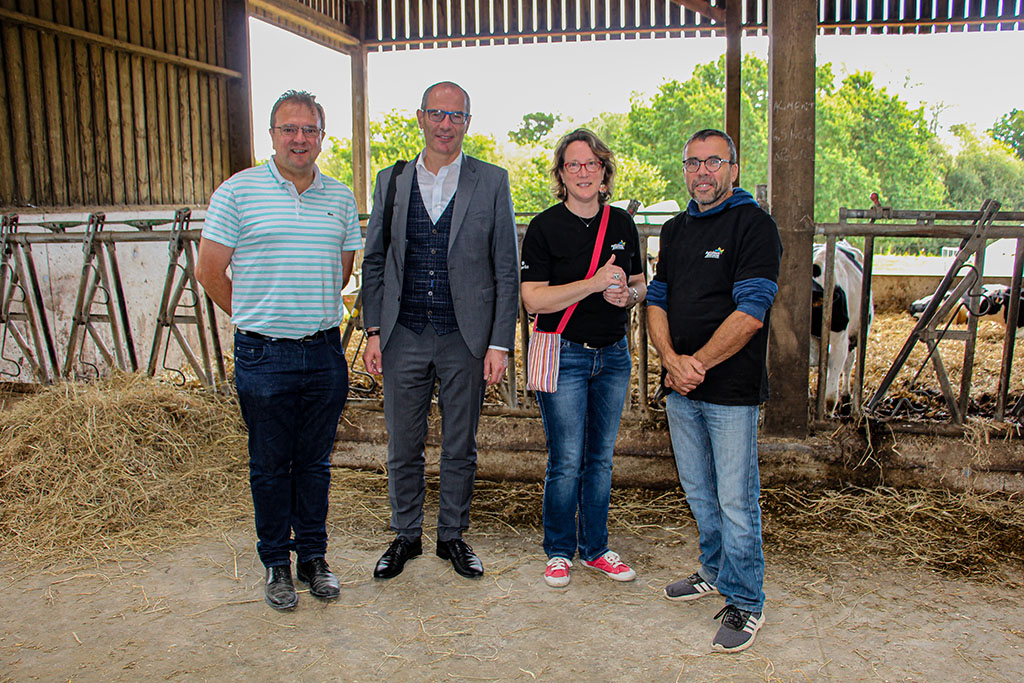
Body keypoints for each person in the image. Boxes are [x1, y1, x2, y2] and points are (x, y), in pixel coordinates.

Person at [196, 90, 361, 611]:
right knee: (270, 464)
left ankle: (314, 557)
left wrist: (305, 310)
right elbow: (209, 272)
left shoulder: (339, 197)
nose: (299, 139)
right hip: (264, 355)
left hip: (323, 351)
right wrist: (253, 321)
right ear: (271, 135)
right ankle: (276, 564)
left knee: (314, 463)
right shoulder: (237, 192)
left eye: (309, 129)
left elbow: (343, 271)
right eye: (289, 129)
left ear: (321, 136)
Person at [361, 81, 519, 580]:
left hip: (465, 337)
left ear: (467, 123)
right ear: (421, 117)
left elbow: (505, 270)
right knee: (401, 442)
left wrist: (499, 342)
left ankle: (451, 535)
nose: (446, 124)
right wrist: (371, 330)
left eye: (456, 116)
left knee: (460, 443)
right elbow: (374, 260)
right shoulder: (392, 180)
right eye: (437, 113)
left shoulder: (492, 181)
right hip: (402, 333)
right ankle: (405, 534)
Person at [647, 129, 782, 652]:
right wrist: (670, 361)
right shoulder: (677, 229)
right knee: (699, 490)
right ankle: (715, 570)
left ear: (733, 168)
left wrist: (695, 364)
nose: (702, 172)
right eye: (692, 163)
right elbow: (657, 297)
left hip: (729, 387)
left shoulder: (754, 225)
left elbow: (751, 313)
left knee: (735, 499)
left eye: (713, 162)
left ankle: (747, 601)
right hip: (680, 384)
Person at [519, 129, 647, 588]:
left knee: (601, 458)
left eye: (592, 163)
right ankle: (558, 549)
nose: (584, 172)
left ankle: (595, 547)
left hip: (612, 355)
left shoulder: (622, 225)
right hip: (565, 354)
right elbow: (533, 299)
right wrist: (593, 284)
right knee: (567, 457)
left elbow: (639, 284)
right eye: (574, 164)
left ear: (605, 172)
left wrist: (626, 297)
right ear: (561, 174)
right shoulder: (544, 227)